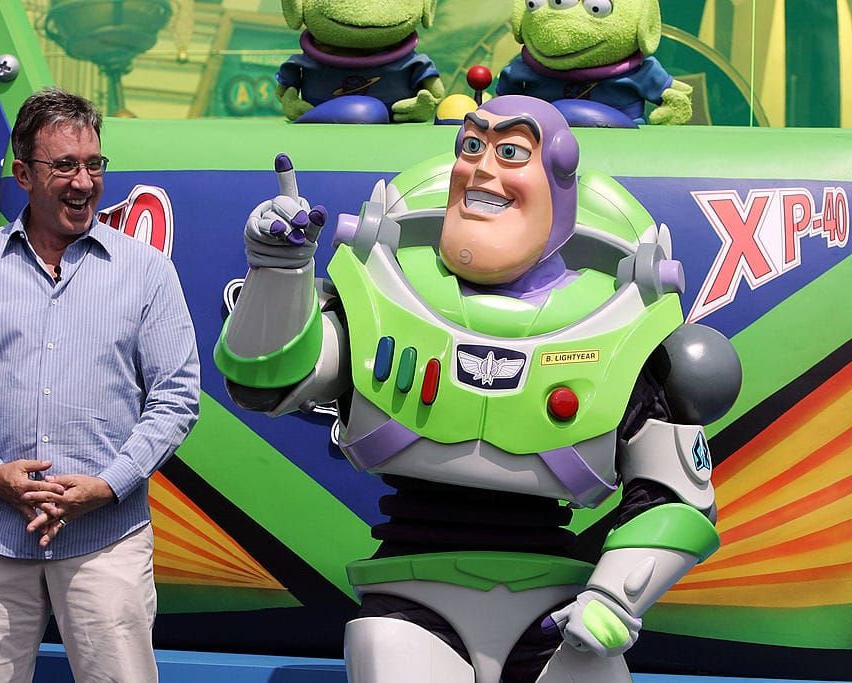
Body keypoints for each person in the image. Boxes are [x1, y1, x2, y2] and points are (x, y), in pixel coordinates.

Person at [214, 96, 740, 682]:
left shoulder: (616, 331)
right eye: (472, 146)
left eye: (510, 151)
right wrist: (278, 269)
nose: (483, 168)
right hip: (412, 597)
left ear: (557, 180)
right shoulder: (385, 299)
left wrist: (617, 599)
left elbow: (675, 500)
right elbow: (268, 380)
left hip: (558, 610)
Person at [0, 87, 200, 683]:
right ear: (23, 175)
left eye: (94, 164)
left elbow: (176, 398)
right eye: (64, 165)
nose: (83, 182)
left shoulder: (147, 271)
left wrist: (107, 486)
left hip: (106, 539)